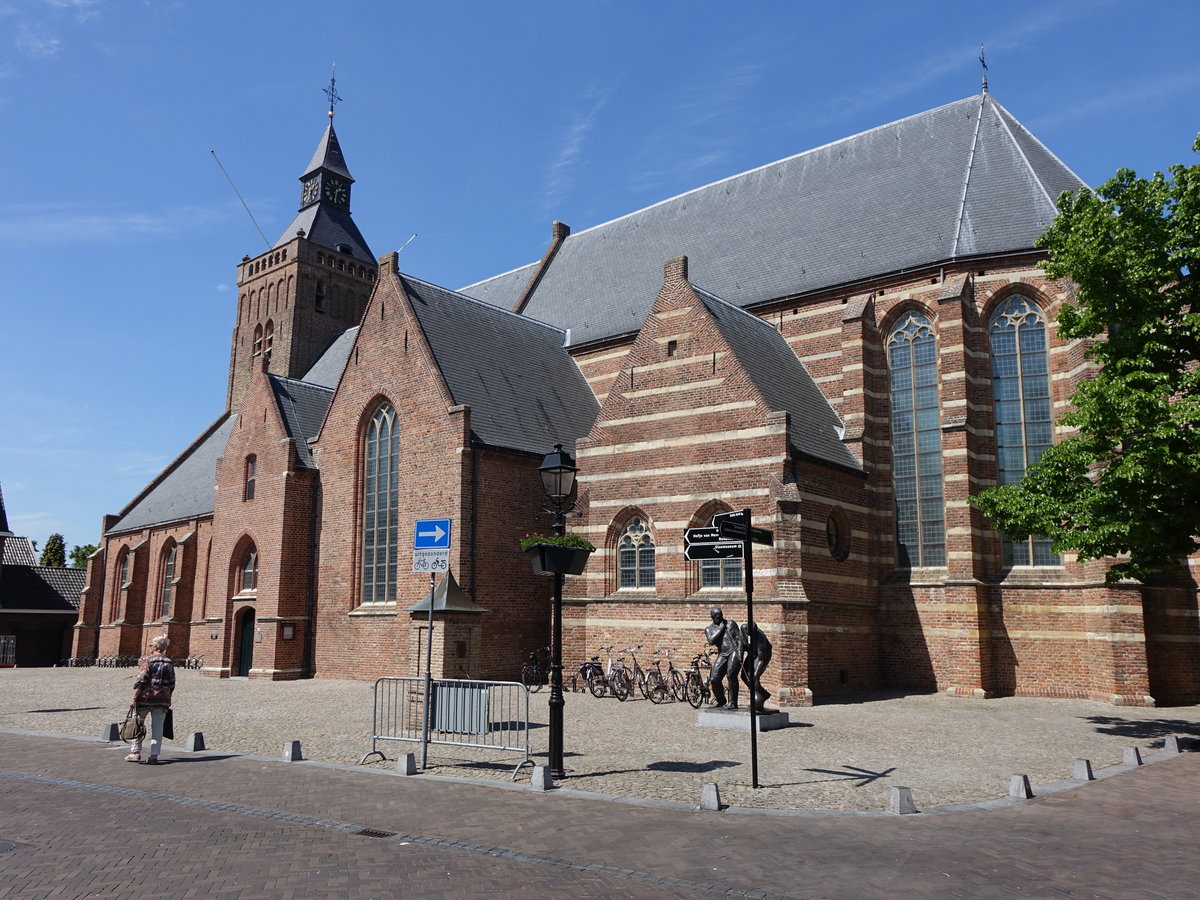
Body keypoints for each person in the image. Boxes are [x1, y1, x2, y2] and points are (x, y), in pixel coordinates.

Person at [125, 635, 175, 765]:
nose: (150, 647)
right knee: (158, 728)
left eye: (151, 645)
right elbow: (172, 683)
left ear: (156, 647)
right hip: (162, 699)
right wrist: (166, 695)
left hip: (146, 698)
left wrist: (134, 698)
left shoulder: (147, 660)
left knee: (137, 724)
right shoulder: (169, 662)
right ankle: (154, 755)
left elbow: (141, 680)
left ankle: (135, 752)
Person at [703, 607, 742, 709]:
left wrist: (740, 652)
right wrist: (720, 629)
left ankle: (733, 702)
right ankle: (721, 700)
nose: (720, 618)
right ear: (712, 617)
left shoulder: (730, 623)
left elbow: (739, 639)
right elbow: (711, 641)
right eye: (717, 617)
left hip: (734, 651)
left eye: (721, 616)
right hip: (723, 654)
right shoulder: (709, 629)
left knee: (731, 675)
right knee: (714, 679)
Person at [739, 621, 774, 712]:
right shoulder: (743, 629)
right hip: (751, 654)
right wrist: (740, 654)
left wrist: (756, 673)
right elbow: (741, 644)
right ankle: (763, 694)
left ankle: (758, 703)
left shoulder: (760, 638)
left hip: (762, 656)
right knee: (744, 676)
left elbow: (761, 658)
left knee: (754, 677)